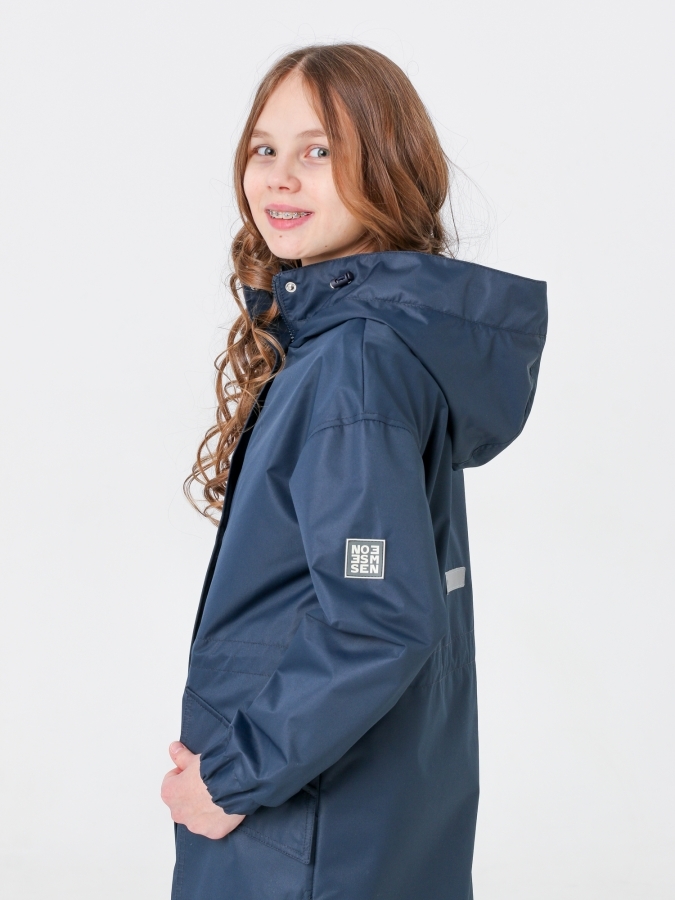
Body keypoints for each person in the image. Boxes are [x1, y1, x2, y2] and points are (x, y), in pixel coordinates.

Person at [160, 43, 547, 900]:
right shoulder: (365, 347)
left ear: (388, 168)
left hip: (301, 828)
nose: (280, 177)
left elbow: (376, 618)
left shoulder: (354, 365)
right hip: (355, 810)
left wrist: (231, 778)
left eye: (319, 150)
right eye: (265, 148)